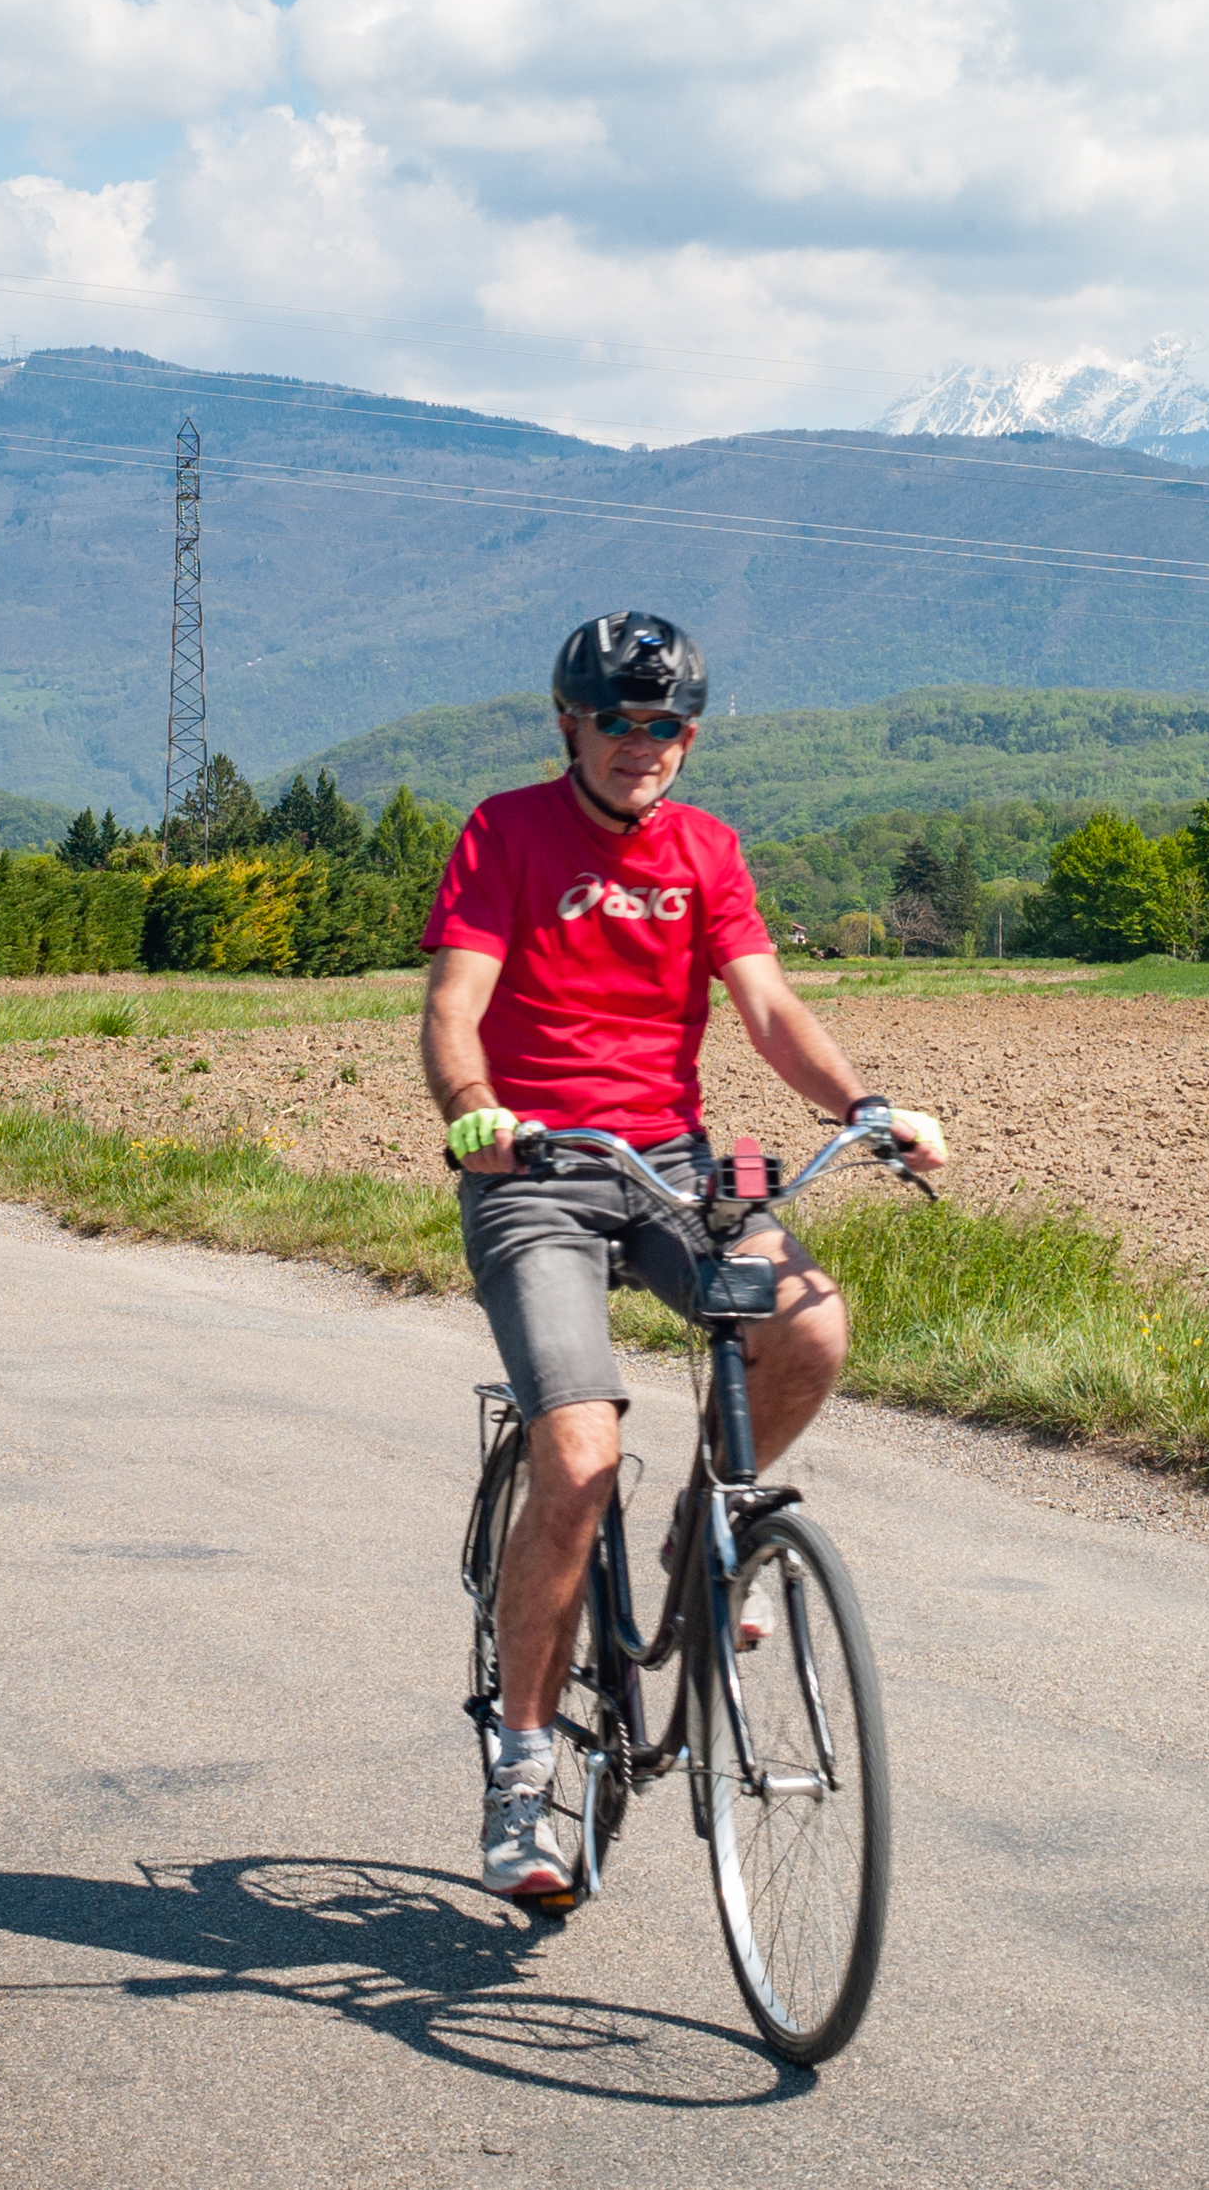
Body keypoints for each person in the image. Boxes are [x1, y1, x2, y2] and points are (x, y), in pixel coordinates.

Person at [419, 610, 947, 1909]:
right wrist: (472, 1107)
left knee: (810, 1324)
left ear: (687, 737)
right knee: (579, 1455)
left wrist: (862, 1107)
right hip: (534, 1173)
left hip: (670, 1165)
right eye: (618, 721)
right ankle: (523, 1766)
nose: (641, 746)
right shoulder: (504, 832)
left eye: (664, 726)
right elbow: (451, 1009)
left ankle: (698, 1538)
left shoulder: (705, 849)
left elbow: (766, 1005)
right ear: (570, 726)